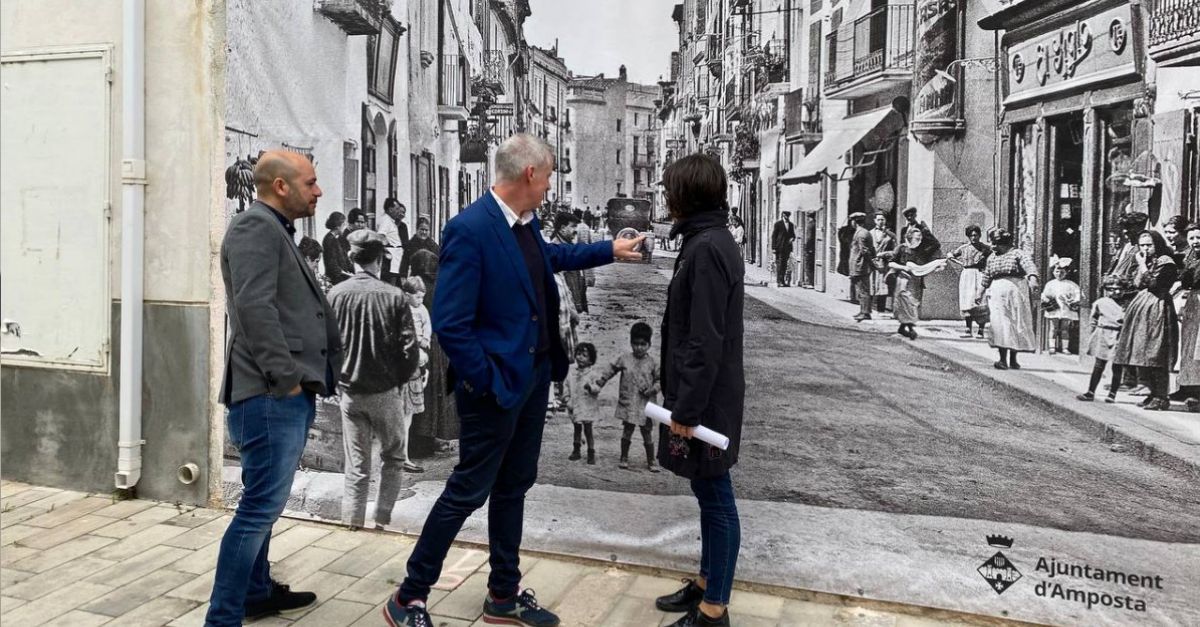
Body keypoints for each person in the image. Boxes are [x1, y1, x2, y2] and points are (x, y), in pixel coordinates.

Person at [383, 134, 645, 627]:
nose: (549, 187)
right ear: (529, 174)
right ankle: (409, 596)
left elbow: (550, 260)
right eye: (547, 177)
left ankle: (503, 593)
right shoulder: (470, 229)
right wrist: (485, 381)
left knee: (514, 487)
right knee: (467, 490)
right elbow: (451, 322)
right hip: (497, 388)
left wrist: (608, 249)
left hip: (533, 379)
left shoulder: (526, 224)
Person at [208, 150, 342, 625]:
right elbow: (254, 310)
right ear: (281, 186)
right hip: (268, 396)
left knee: (262, 502)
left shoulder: (273, 229)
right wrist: (284, 380)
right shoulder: (254, 228)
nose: (319, 191)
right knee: (258, 509)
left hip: (277, 395)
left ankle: (256, 593)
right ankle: (222, 617)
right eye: (311, 182)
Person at [652, 153, 745, 627]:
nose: (666, 197)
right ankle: (708, 583)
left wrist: (686, 408)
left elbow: (705, 337)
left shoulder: (707, 247)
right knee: (706, 492)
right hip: (705, 393)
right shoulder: (704, 240)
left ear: (687, 195)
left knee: (717, 497)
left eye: (671, 190)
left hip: (707, 398)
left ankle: (714, 611)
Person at [328, 230, 419, 530]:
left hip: (350, 393)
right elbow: (410, 350)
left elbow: (326, 346)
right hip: (385, 391)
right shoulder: (394, 296)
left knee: (357, 467)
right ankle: (380, 520)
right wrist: (400, 380)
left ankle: (352, 526)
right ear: (380, 259)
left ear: (351, 258)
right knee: (393, 456)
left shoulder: (336, 295)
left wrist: (335, 383)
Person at [1112, 230, 1180, 411]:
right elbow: (1137, 284)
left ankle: (1161, 396)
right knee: (1143, 351)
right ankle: (1152, 393)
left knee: (1156, 352)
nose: (1145, 248)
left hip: (1158, 307)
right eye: (1142, 245)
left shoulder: (1167, 263)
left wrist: (1142, 266)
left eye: (1149, 245)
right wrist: (1141, 266)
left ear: (1157, 244)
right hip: (1143, 307)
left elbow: (1155, 285)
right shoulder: (1147, 261)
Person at [590, 322, 661, 472]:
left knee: (646, 432)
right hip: (629, 402)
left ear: (649, 344)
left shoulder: (653, 363)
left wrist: (652, 389)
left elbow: (660, 380)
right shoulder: (624, 359)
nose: (639, 347)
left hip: (646, 404)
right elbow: (611, 369)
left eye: (643, 344)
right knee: (627, 430)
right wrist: (600, 382)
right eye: (635, 344)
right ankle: (624, 457)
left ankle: (651, 460)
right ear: (631, 343)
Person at [978, 230, 1039, 370]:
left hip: (1016, 291)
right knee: (1000, 324)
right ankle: (1002, 359)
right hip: (997, 292)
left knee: (1016, 322)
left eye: (996, 243)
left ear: (1004, 243)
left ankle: (1013, 359)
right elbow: (986, 276)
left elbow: (1029, 265)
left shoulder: (1017, 253)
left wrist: (1033, 278)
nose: (993, 246)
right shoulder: (992, 257)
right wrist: (979, 293)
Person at [1077, 276, 1129, 403]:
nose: (1116, 292)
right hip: (1103, 334)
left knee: (1116, 366)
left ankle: (1112, 394)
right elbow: (1093, 319)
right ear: (1106, 290)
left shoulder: (1127, 304)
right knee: (1099, 365)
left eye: (1119, 289)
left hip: (1118, 335)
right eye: (1112, 289)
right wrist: (1092, 333)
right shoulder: (1100, 303)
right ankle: (1090, 392)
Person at [883, 228, 942, 339]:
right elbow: (891, 264)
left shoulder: (921, 250)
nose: (919, 240)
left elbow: (933, 251)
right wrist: (904, 267)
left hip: (916, 281)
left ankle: (902, 328)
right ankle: (910, 329)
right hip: (904, 280)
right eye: (917, 237)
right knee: (906, 304)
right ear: (910, 237)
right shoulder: (901, 248)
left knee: (913, 304)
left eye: (920, 238)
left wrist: (936, 266)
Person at [399, 277, 432, 472]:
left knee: (407, 415)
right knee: (403, 414)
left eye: (422, 297)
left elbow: (427, 325)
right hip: (407, 363)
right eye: (417, 297)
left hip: (415, 360)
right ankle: (400, 456)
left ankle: (402, 455)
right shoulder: (402, 310)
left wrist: (425, 340)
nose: (420, 301)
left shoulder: (422, 310)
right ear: (407, 294)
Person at [1172, 225, 1200, 410]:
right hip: (1193, 302)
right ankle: (1186, 386)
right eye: (1191, 238)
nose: (1195, 242)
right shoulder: (1191, 257)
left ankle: (1196, 391)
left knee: (1198, 347)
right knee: (1189, 345)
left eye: (1198, 237)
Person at [948, 226, 992, 338]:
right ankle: (968, 329)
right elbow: (950, 255)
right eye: (971, 235)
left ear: (979, 235)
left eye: (976, 235)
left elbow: (993, 257)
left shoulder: (985, 248)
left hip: (980, 273)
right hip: (967, 274)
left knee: (981, 301)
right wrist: (960, 263)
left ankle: (981, 330)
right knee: (967, 300)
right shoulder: (964, 248)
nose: (974, 237)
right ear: (968, 236)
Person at [562, 342, 600, 464]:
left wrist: (591, 388)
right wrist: (567, 399)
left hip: (588, 406)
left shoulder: (593, 374)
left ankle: (591, 452)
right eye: (578, 354)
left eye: (584, 355)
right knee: (577, 428)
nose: (580, 357)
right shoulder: (571, 371)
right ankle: (576, 450)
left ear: (591, 360)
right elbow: (566, 386)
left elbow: (597, 388)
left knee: (588, 429)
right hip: (575, 405)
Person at [1040, 256, 1082, 354]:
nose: (1059, 274)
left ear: (1066, 273)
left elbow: (1078, 294)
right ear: (1053, 272)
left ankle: (1065, 348)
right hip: (1054, 308)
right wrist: (1046, 298)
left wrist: (1073, 300)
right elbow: (1044, 294)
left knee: (1065, 328)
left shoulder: (1071, 284)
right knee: (1053, 328)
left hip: (1066, 308)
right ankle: (1052, 347)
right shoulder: (1050, 284)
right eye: (1057, 272)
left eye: (1062, 272)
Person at [551, 211, 589, 313]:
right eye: (573, 226)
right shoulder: (557, 249)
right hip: (565, 308)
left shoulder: (569, 245)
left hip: (572, 304)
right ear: (563, 228)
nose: (576, 230)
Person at [848, 212, 876, 322]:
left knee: (863, 290)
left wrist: (871, 263)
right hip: (859, 265)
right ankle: (863, 310)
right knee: (861, 289)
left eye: (852, 221)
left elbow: (865, 251)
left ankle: (865, 312)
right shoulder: (863, 232)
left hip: (861, 266)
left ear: (855, 222)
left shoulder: (861, 234)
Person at [868, 213, 897, 313]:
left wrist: (884, 254)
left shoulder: (890, 235)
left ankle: (881, 310)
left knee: (882, 285)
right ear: (875, 221)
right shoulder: (869, 233)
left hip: (883, 264)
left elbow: (894, 251)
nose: (880, 222)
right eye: (879, 220)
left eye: (882, 220)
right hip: (871, 263)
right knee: (871, 285)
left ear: (885, 221)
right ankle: (870, 309)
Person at [378, 198, 410, 285]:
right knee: (392, 282)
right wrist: (387, 248)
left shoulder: (391, 221)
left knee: (397, 281)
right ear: (390, 209)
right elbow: (380, 236)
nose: (398, 212)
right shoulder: (386, 220)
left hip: (397, 256)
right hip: (392, 256)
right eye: (396, 209)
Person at [322, 212, 353, 286]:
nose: (345, 227)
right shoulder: (329, 239)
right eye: (344, 225)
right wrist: (349, 275)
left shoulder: (337, 238)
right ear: (337, 226)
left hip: (342, 277)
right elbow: (332, 265)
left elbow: (344, 258)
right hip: (336, 280)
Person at [771, 211, 796, 287]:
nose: (787, 217)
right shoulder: (778, 224)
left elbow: (793, 235)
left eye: (788, 216)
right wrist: (774, 248)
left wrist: (792, 239)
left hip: (787, 248)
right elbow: (774, 236)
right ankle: (779, 281)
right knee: (780, 264)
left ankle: (783, 281)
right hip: (779, 247)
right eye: (786, 215)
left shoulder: (791, 225)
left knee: (785, 264)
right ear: (783, 215)